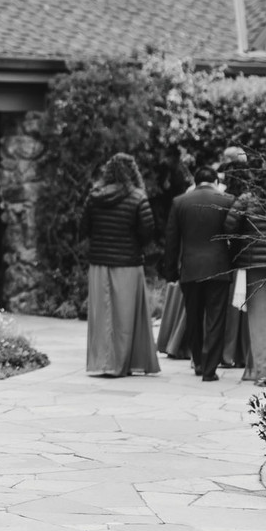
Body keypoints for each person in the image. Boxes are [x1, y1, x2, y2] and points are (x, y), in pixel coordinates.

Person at [81, 153, 160, 378]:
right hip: (128, 262)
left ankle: (104, 362)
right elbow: (147, 232)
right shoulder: (138, 197)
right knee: (126, 316)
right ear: (132, 171)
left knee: (102, 314)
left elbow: (83, 228)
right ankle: (123, 363)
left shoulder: (94, 197)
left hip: (99, 263)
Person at [225, 164, 266, 387]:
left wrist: (237, 251)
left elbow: (229, 226)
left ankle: (261, 369)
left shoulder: (246, 199)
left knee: (257, 319)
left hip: (254, 265)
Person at [162, 165, 232, 381]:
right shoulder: (227, 201)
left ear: (196, 180)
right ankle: (210, 369)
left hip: (190, 268)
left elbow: (172, 241)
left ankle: (198, 363)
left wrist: (171, 272)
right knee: (216, 318)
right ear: (215, 182)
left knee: (193, 317)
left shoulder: (180, 202)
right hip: (219, 268)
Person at [155, 144, 194, 361]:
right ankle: (178, 342)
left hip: (184, 249)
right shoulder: (175, 172)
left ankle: (176, 342)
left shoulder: (178, 175)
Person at [218, 146, 250, 371]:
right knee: (246, 306)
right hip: (249, 255)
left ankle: (228, 353)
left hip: (230, 256)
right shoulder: (252, 195)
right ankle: (244, 354)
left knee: (231, 307)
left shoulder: (224, 196)